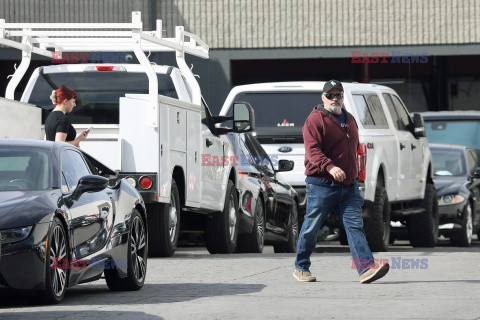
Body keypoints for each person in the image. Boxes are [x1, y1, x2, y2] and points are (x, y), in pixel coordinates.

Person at [293, 80, 389, 283]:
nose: (334, 99)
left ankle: (366, 270)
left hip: (349, 186)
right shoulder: (314, 120)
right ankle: (301, 268)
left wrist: (354, 172)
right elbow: (313, 152)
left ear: (343, 97)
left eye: (338, 95)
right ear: (323, 97)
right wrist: (330, 167)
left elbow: (353, 149)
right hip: (321, 185)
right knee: (312, 226)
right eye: (330, 95)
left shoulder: (350, 118)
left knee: (355, 226)